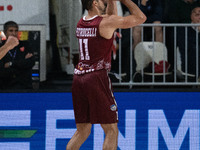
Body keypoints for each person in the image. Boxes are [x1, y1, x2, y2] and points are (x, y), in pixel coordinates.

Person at [66, 0, 146, 150]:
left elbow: (111, 18)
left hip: (79, 78)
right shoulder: (105, 23)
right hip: (96, 78)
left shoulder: (81, 23)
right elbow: (141, 18)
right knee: (111, 130)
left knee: (82, 130)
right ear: (95, 3)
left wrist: (110, 1)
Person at [0, 21, 35, 89]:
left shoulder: (25, 45)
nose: (14, 33)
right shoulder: (1, 47)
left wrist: (11, 64)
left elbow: (30, 62)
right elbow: (1, 70)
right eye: (11, 31)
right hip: (5, 86)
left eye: (16, 31)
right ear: (5, 32)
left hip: (24, 85)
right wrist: (22, 63)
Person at [177, 7, 200, 80]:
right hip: (189, 63)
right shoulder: (183, 30)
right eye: (197, 15)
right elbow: (184, 47)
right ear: (191, 17)